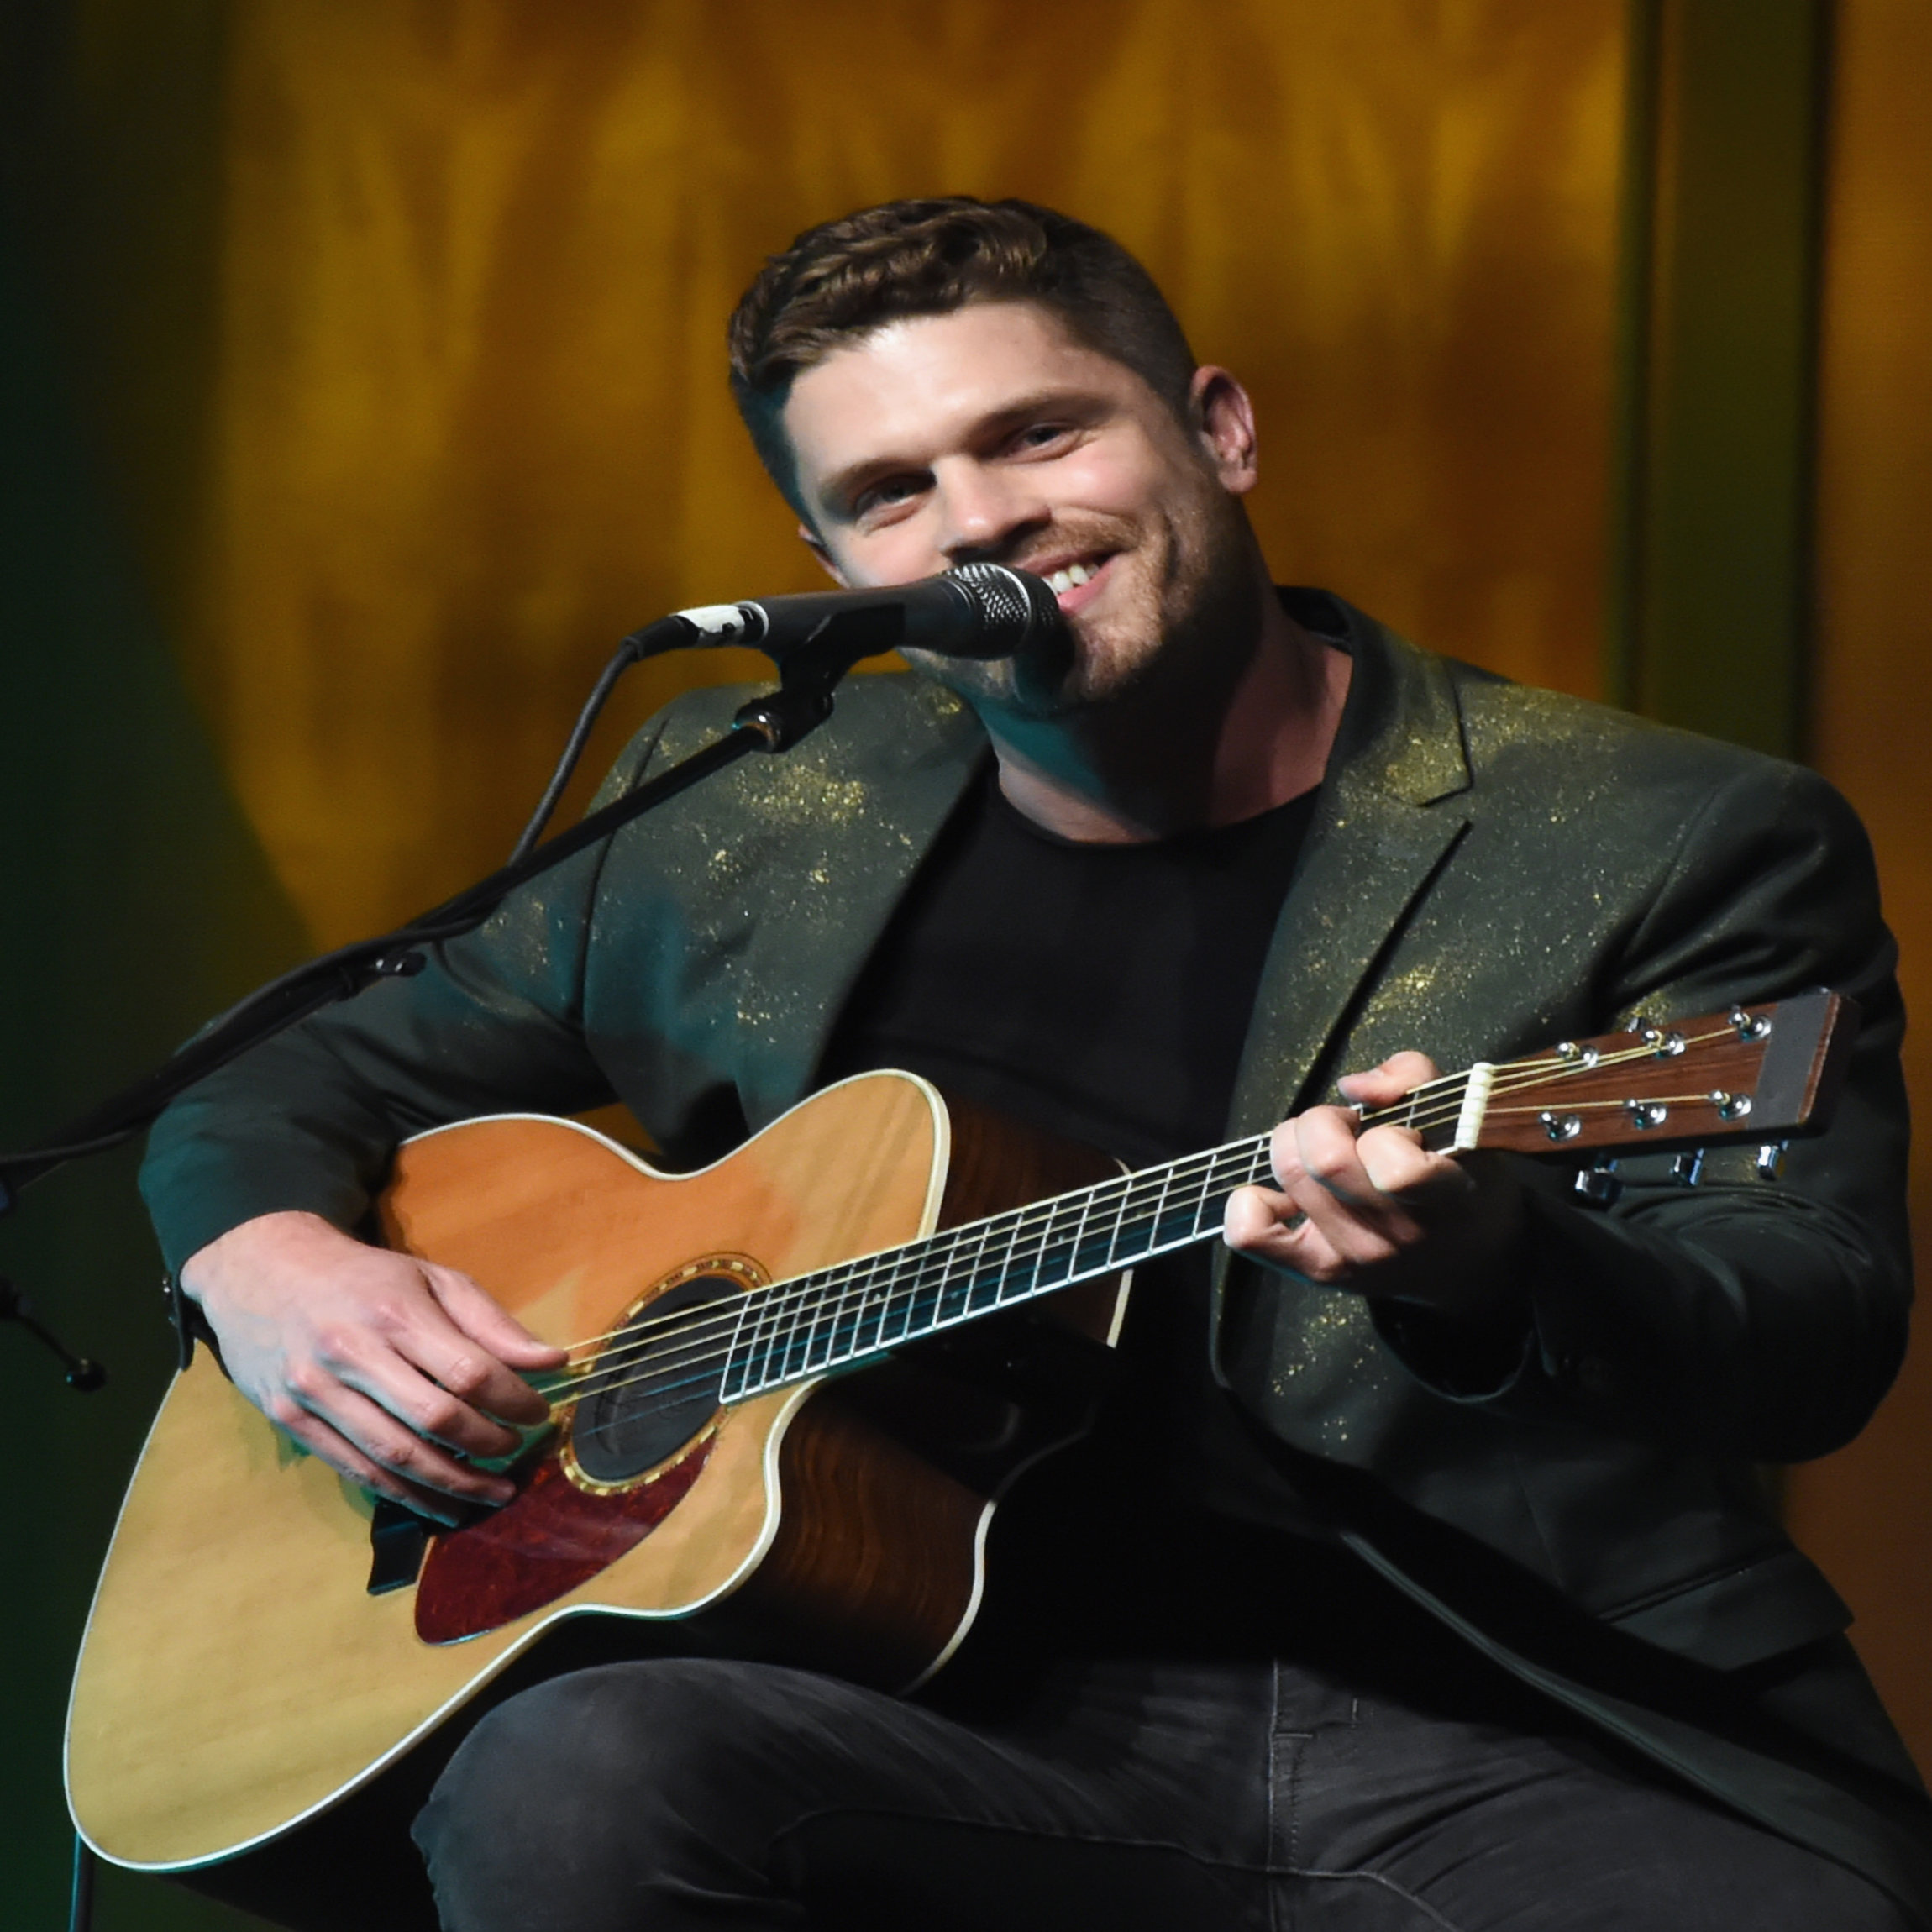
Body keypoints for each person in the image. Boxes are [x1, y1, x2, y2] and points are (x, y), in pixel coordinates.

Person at [143, 198, 1932, 1929]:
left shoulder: (1668, 833)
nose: (984, 520)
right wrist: (267, 1263)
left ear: (1217, 429)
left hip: (1498, 1715)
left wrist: (1496, 1269)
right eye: (890, 493)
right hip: (942, 1712)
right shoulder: (755, 810)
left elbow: (1807, 1326)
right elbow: (277, 1079)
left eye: (1039, 434)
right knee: (574, 1776)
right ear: (838, 567)